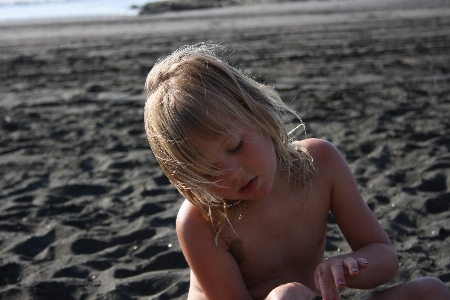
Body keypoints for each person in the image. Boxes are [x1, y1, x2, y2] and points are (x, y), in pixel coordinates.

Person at [143, 43, 450, 300]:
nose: (234, 173)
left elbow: (385, 256)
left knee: (431, 291)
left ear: (258, 111)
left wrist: (350, 265)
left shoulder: (319, 163)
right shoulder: (202, 220)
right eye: (209, 172)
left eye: (236, 146)